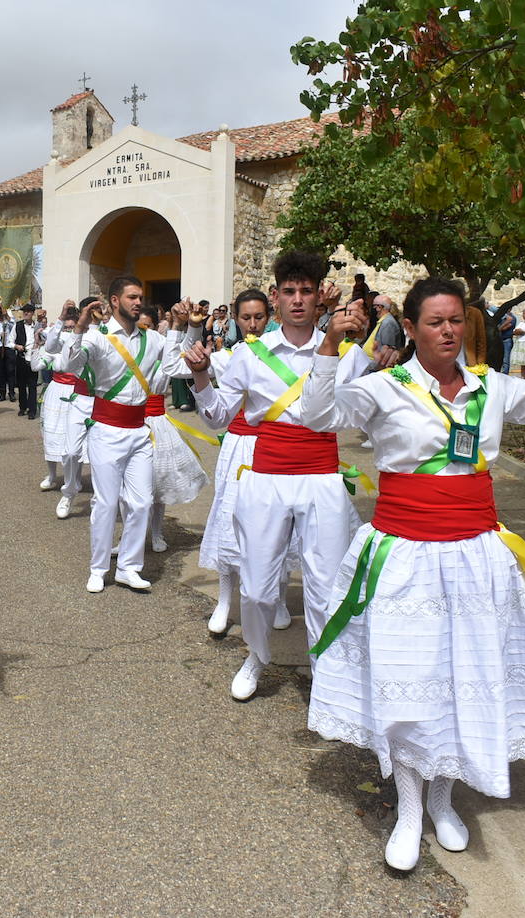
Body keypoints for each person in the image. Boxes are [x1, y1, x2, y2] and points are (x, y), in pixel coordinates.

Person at [300, 276, 525, 871]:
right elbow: (317, 416)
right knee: (412, 682)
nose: (448, 331)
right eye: (434, 322)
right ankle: (411, 808)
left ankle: (444, 799)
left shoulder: (490, 388)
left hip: (475, 558)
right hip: (406, 559)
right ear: (411, 329)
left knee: (460, 677)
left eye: (455, 321)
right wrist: (327, 350)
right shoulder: (381, 388)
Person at [182, 251, 365, 700]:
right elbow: (219, 417)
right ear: (276, 297)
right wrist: (203, 375)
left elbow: (365, 414)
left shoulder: (348, 353)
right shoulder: (249, 354)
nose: (298, 299)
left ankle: (326, 673)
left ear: (319, 296)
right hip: (266, 476)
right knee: (260, 588)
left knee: (324, 587)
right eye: (289, 291)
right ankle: (258, 655)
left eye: (306, 291)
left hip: (322, 477)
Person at [45, 275, 177, 593]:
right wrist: (79, 328)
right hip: (106, 430)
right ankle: (98, 567)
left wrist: (186, 328)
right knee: (105, 503)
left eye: (140, 297)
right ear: (115, 301)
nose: (138, 302)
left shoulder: (152, 339)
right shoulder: (98, 337)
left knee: (142, 502)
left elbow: (174, 366)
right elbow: (68, 364)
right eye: (132, 296)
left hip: (139, 430)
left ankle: (129, 568)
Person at [180, 288, 292, 635]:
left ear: (269, 317)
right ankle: (226, 600)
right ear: (237, 321)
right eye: (246, 318)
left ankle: (279, 597)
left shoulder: (283, 353)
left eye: (260, 317)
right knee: (230, 518)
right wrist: (194, 330)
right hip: (240, 445)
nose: (253, 324)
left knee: (280, 523)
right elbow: (193, 361)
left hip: (275, 445)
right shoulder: (228, 357)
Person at [141, 304, 210, 551]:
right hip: (130, 423)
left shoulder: (163, 352)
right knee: (130, 487)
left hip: (158, 423)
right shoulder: (123, 353)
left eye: (147, 326)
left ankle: (157, 533)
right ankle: (130, 538)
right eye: (139, 327)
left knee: (159, 482)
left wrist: (189, 325)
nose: (143, 332)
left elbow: (185, 353)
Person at [36, 300, 93, 519]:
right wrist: (60, 318)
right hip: (69, 395)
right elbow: (49, 346)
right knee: (67, 447)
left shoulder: (96, 338)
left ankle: (101, 495)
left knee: (96, 450)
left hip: (92, 397)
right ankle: (68, 490)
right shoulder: (64, 340)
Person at [9, 303, 41, 418]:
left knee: (32, 385)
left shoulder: (37, 325)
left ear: (32, 313)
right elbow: (10, 341)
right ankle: (23, 407)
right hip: (21, 358)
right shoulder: (17, 325)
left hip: (33, 358)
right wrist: (16, 346)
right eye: (24, 311)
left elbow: (43, 339)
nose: (26, 313)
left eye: (28, 311)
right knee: (21, 385)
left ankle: (32, 410)